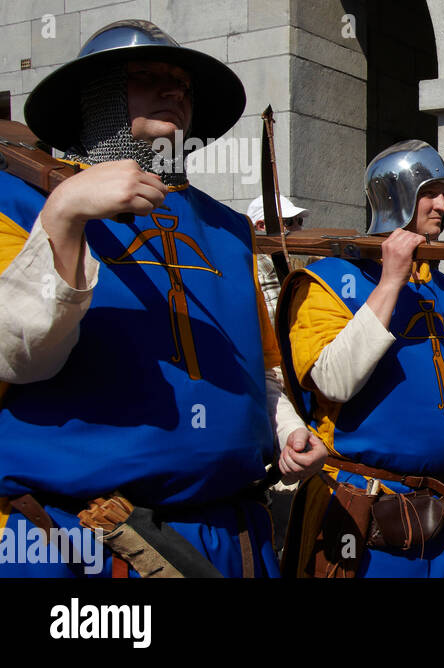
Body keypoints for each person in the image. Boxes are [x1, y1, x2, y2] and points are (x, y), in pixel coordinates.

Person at [0, 19, 324, 577]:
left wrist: (285, 427)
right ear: (94, 98)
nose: (174, 91)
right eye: (149, 77)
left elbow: (259, 368)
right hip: (86, 541)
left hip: (232, 536)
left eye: (183, 85)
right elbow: (18, 354)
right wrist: (64, 213)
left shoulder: (226, 229)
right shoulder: (20, 202)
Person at [277, 141, 444, 578]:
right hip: (364, 511)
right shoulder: (326, 281)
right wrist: (391, 282)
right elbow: (334, 381)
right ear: (396, 195)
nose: (442, 205)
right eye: (430, 192)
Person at [247, 194, 309, 321]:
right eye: (289, 222)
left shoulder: (294, 262)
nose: (298, 229)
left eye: (300, 221)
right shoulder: (251, 270)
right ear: (261, 226)